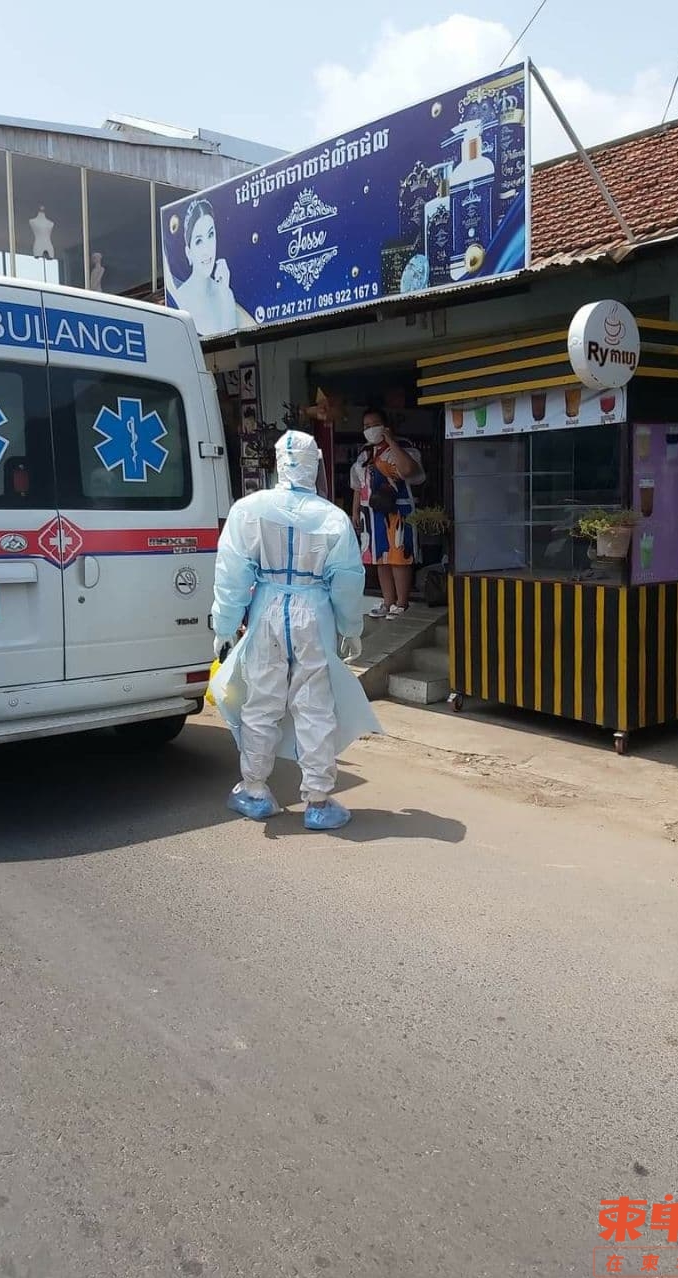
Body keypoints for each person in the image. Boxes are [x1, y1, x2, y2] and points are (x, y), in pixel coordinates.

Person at [210, 430, 381, 830]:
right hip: (313, 610)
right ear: (315, 464)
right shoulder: (332, 517)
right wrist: (349, 626)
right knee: (315, 705)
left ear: (277, 461)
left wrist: (224, 624)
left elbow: (231, 573)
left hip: (267, 605)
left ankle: (254, 791)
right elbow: (347, 580)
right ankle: (318, 801)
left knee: (261, 703)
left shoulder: (249, 510)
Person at [350, 408, 425, 618]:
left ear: (385, 425)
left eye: (374, 425)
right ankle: (387, 601)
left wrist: (391, 441)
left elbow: (409, 471)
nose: (370, 430)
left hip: (397, 510)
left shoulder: (405, 448)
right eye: (365, 426)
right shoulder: (364, 453)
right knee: (379, 557)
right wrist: (355, 511)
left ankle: (401, 603)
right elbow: (357, 485)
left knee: (398, 556)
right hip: (371, 512)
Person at [172, 198, 241, 337]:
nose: (207, 249)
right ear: (188, 252)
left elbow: (232, 340)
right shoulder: (179, 300)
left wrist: (225, 294)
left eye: (210, 235)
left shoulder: (225, 294)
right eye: (198, 241)